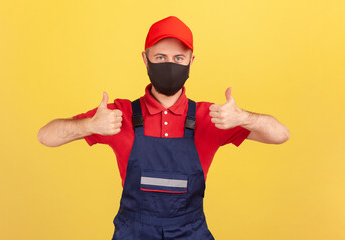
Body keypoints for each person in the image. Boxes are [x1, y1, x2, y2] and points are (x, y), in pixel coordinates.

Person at [37, 16, 290, 240]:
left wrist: (243, 117)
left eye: (178, 58)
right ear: (145, 60)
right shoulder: (118, 115)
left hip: (191, 233)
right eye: (160, 57)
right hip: (133, 233)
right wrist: (90, 124)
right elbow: (46, 136)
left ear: (191, 61)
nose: (170, 65)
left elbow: (281, 135)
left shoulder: (212, 117)